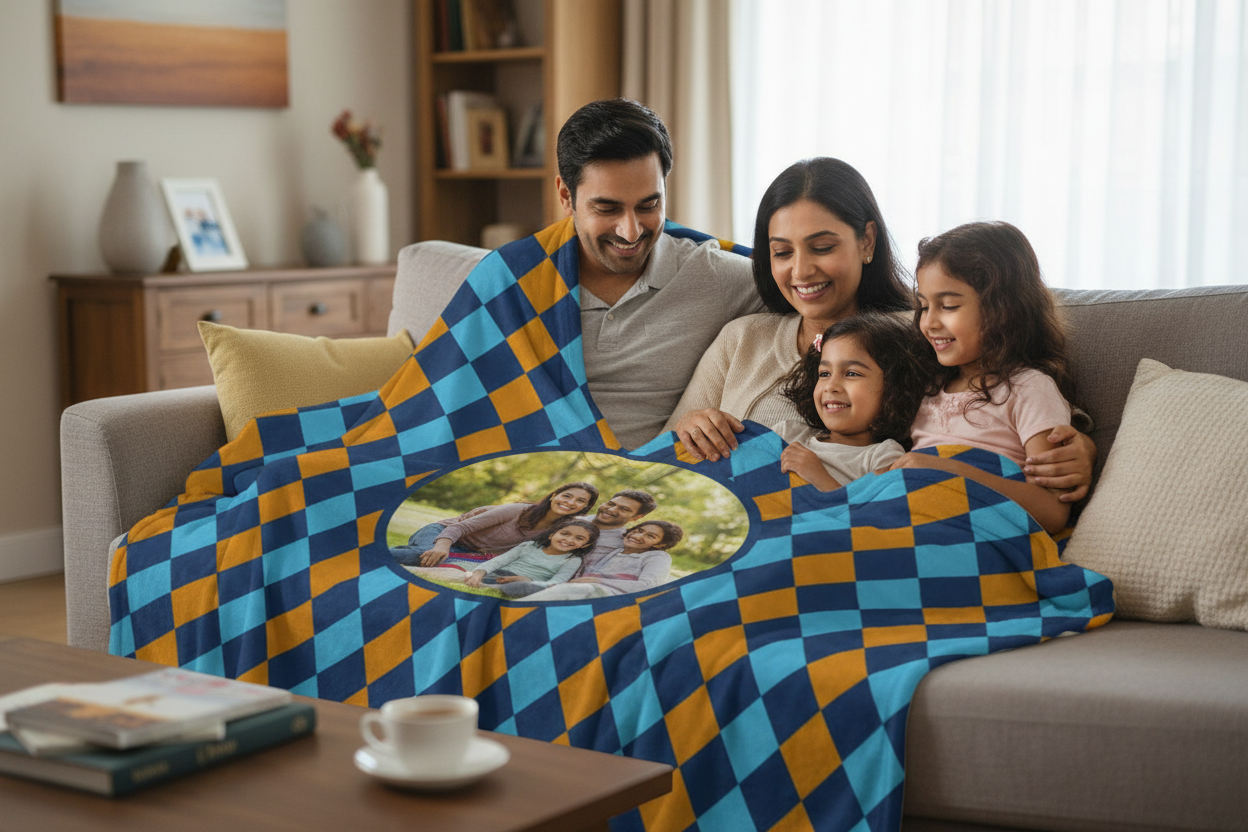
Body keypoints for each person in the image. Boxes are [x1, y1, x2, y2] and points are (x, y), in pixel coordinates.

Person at [662, 156, 1096, 501]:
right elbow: (664, 452)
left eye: (823, 247)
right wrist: (694, 425)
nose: (801, 270)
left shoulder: (917, 335)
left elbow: (1001, 402)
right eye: (781, 252)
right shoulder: (742, 338)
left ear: (866, 241)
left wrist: (1080, 448)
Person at [555, 98, 766, 450]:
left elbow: (823, 293)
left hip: (656, 481)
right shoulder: (517, 284)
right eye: (607, 208)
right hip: (534, 474)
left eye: (649, 205)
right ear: (566, 196)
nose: (631, 231)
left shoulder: (712, 275)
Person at [890, 221, 1076, 535]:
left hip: (972, 534)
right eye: (922, 306)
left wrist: (950, 473)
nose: (929, 322)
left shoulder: (1029, 389)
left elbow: (1052, 511)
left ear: (1003, 309)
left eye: (948, 306)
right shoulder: (929, 386)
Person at [775, 313, 935, 491]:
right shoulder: (787, 433)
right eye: (825, 374)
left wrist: (819, 478)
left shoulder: (882, 456)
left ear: (894, 387)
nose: (831, 386)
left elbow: (874, 515)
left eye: (851, 373)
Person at [389, 482, 598, 567]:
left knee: (449, 563)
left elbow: (597, 524)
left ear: (585, 507)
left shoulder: (563, 529)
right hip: (443, 533)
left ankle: (400, 551)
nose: (570, 503)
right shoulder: (517, 510)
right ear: (554, 495)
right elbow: (459, 527)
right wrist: (441, 545)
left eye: (580, 501)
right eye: (567, 496)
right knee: (428, 557)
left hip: (471, 550)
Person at [408, 519, 601, 599]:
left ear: (584, 545)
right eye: (565, 534)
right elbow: (498, 561)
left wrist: (528, 581)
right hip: (496, 572)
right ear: (552, 534)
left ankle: (489, 585)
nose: (569, 540)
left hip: (523, 581)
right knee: (457, 572)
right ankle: (411, 570)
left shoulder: (572, 560)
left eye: (578, 538)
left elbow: (557, 582)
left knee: (510, 588)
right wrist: (478, 572)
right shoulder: (529, 546)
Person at [524, 520, 683, 601]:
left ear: (661, 544)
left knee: (579, 590)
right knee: (534, 586)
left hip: (614, 597)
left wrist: (598, 582)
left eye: (650, 536)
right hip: (587, 590)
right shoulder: (616, 551)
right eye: (639, 530)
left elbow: (648, 586)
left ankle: (517, 609)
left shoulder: (657, 557)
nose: (638, 536)